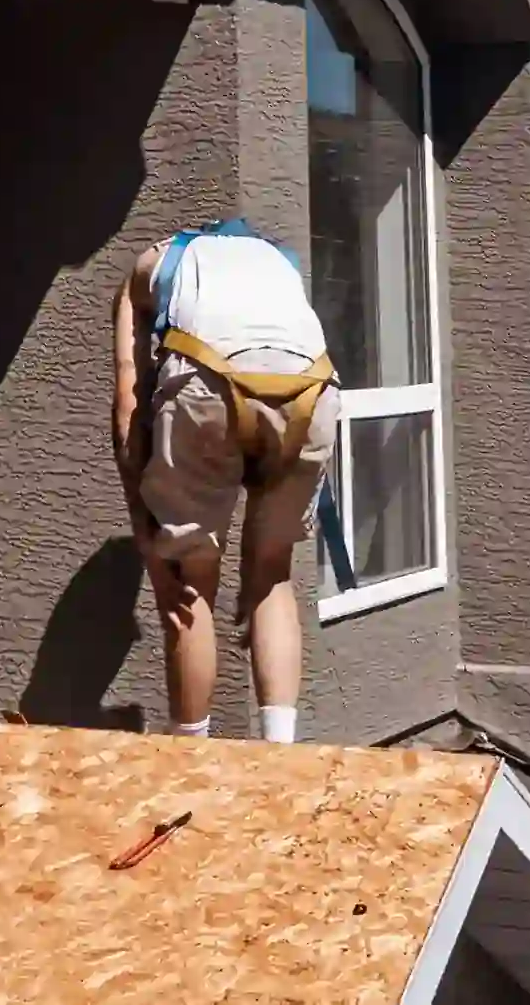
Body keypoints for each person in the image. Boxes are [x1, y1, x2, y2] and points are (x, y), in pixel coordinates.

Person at [111, 219, 344, 742]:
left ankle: (192, 753)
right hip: (311, 392)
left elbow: (128, 413)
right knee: (272, 575)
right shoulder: (281, 263)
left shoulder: (149, 266)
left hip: (206, 379)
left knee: (191, 583)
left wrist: (150, 543)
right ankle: (281, 754)